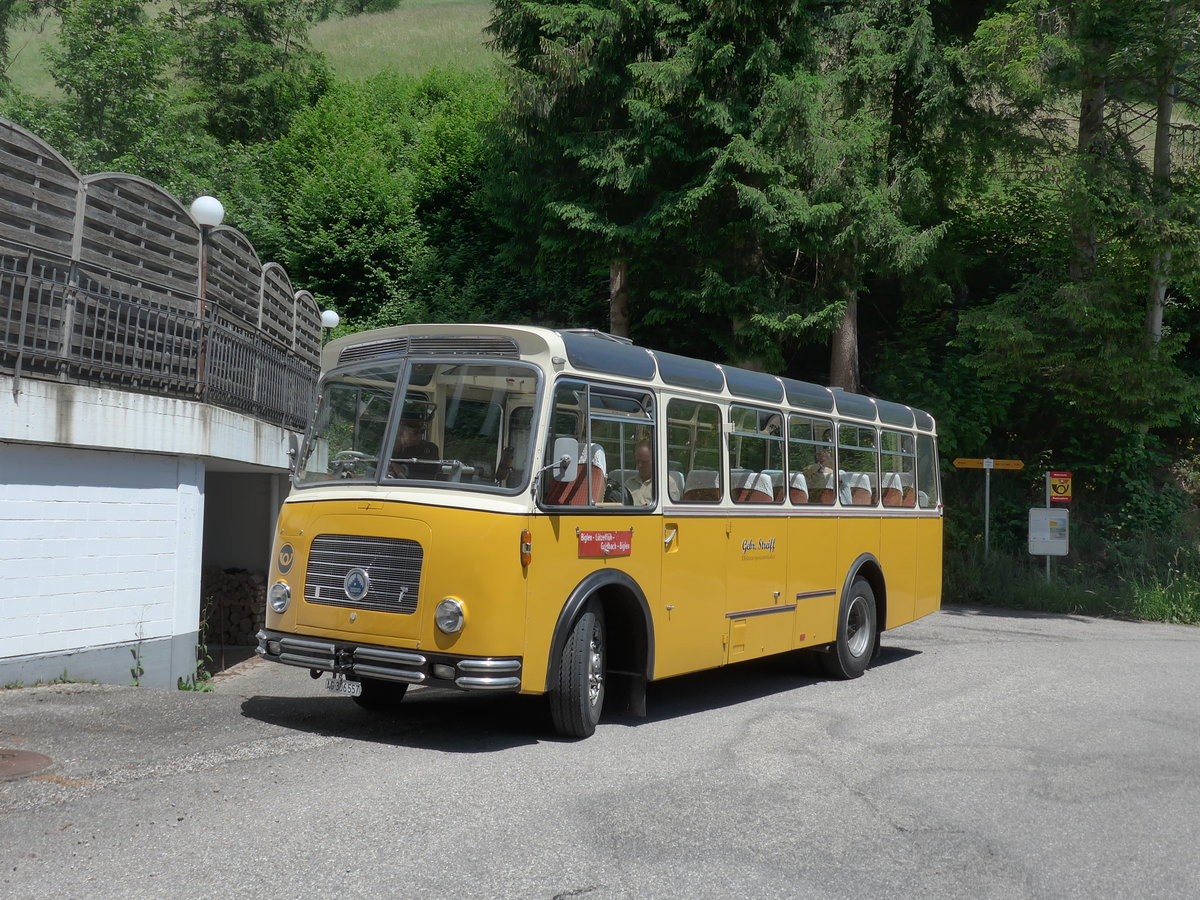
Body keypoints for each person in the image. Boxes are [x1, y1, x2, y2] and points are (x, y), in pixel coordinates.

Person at [623, 440, 654, 506]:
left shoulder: (667, 484)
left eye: (644, 462)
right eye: (637, 461)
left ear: (654, 461)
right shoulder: (629, 483)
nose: (639, 465)